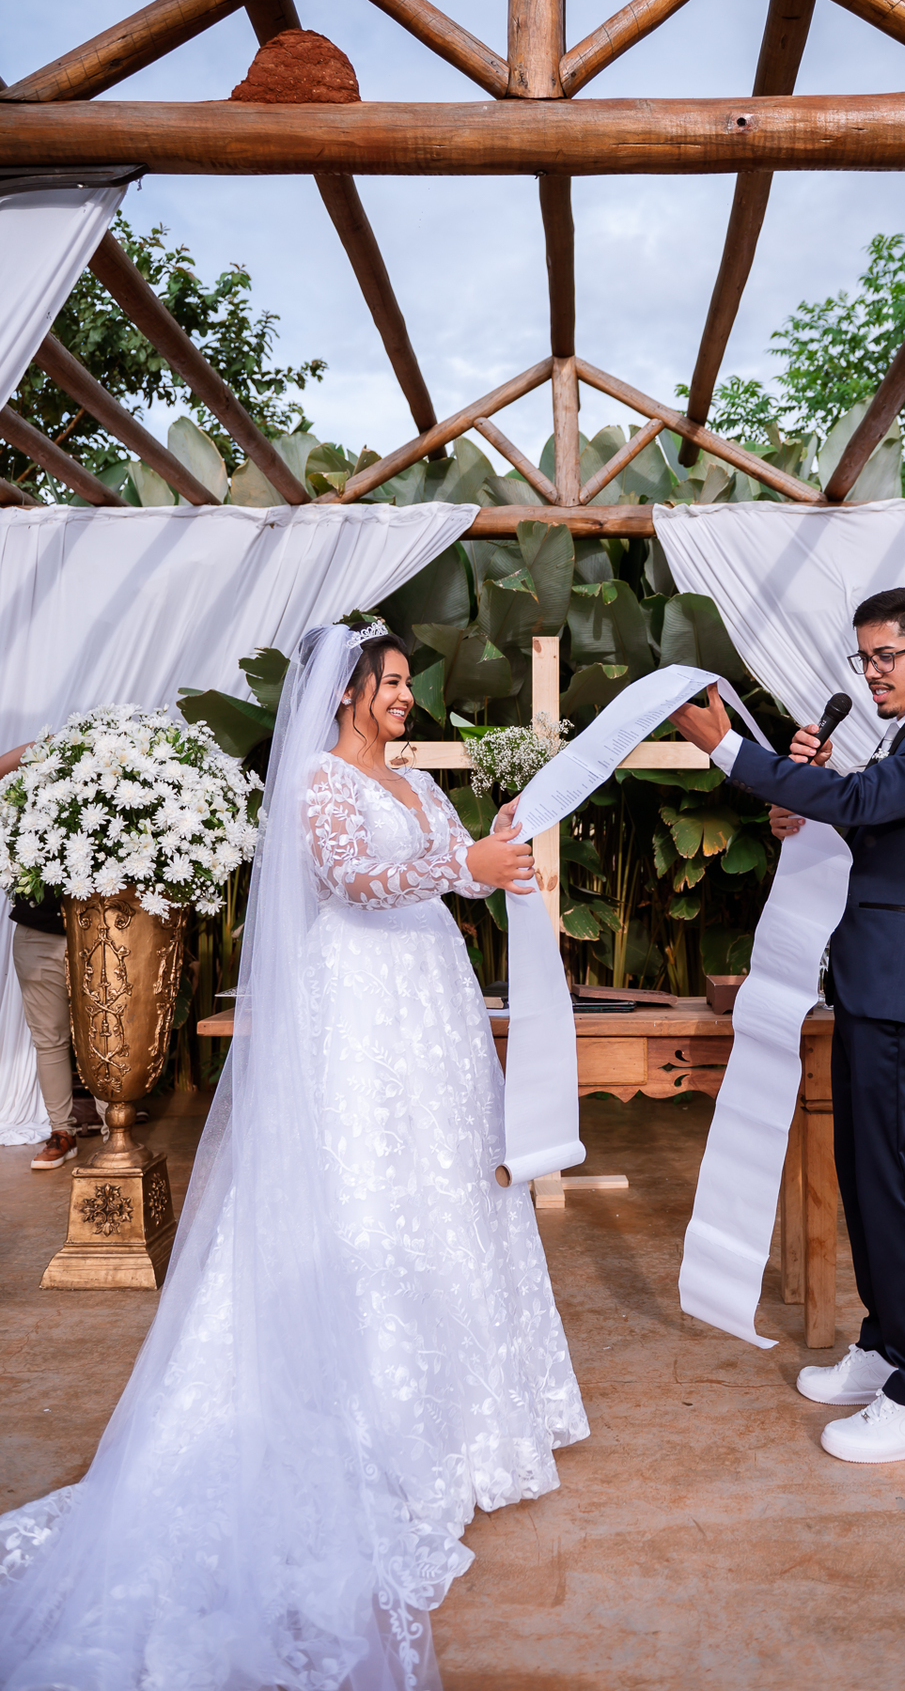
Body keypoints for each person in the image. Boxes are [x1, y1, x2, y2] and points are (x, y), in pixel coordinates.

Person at [0, 621, 588, 1691]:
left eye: (407, 682)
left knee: (447, 1188)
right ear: (348, 692)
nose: (404, 696)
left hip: (431, 1005)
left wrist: (487, 854)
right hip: (358, 1007)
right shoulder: (319, 780)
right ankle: (367, 1422)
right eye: (391, 681)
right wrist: (459, 862)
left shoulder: (420, 783)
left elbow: (449, 879)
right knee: (364, 1189)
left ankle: (475, 1421)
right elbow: (354, 879)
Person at [673, 587, 905, 1465]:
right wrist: (802, 809)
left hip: (903, 990)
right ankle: (886, 1346)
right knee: (863, 1177)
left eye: (887, 656)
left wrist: (728, 749)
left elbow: (867, 803)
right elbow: (862, 825)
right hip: (870, 985)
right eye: (864, 658)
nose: (873, 672)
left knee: (892, 1189)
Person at [0, 740, 107, 1168]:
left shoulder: (110, 792)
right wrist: (47, 746)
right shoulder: (29, 795)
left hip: (98, 935)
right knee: (49, 1040)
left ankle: (115, 1130)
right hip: (37, 933)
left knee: (104, 1036)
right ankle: (62, 1132)